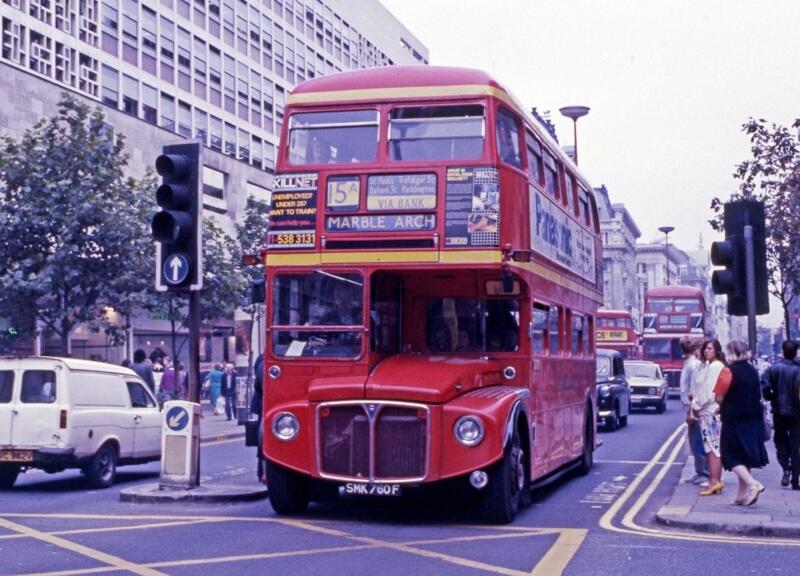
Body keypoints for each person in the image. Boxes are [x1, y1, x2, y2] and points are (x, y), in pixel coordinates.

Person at [715, 340, 768, 505]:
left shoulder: (727, 371)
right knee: (744, 457)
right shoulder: (753, 370)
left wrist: (718, 407)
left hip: (733, 418)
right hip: (753, 419)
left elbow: (719, 397)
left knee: (729, 456)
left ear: (730, 352)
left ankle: (753, 484)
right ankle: (741, 496)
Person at [762, 340, 800, 489]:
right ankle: (796, 480)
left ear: (783, 351)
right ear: (795, 352)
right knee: (796, 446)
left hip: (779, 412)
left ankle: (785, 470)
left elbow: (764, 387)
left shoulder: (773, 369)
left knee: (781, 443)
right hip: (797, 413)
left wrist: (772, 397)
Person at [691, 339, 726, 496]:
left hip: (708, 411)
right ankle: (716, 480)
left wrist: (696, 406)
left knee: (712, 448)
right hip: (709, 411)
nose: (706, 351)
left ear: (717, 350)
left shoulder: (715, 366)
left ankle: (714, 482)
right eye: (705, 348)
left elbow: (709, 391)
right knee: (713, 446)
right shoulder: (710, 365)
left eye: (710, 349)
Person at [679, 336, 709, 484]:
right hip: (692, 407)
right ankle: (700, 472)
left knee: (699, 440)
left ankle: (705, 473)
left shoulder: (694, 365)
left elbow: (694, 389)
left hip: (695, 408)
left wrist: (691, 411)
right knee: (695, 441)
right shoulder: (691, 364)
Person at [250, 353, 265, 483]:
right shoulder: (265, 361)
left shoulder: (260, 358)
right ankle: (263, 473)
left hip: (260, 402)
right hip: (265, 403)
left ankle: (261, 473)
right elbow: (259, 384)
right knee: (264, 438)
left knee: (262, 438)